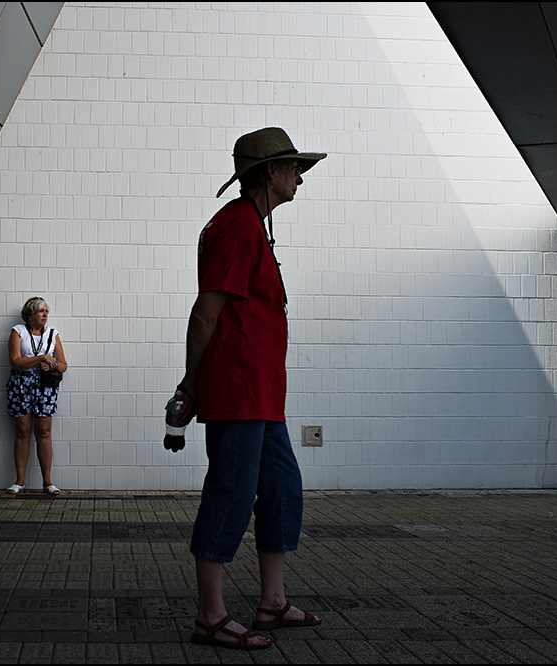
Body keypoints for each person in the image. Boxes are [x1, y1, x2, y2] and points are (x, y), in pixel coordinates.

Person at [173, 128, 326, 650]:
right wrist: (191, 383)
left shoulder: (252, 226)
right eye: (292, 167)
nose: (299, 176)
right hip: (239, 390)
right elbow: (206, 312)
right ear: (268, 173)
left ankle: (272, 602)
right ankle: (210, 617)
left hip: (260, 393)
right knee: (231, 492)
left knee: (281, 490)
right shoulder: (238, 228)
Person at [5, 296, 67, 495]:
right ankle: (19, 482)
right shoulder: (18, 332)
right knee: (22, 432)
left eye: (46, 311)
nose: (45, 315)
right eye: (41, 311)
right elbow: (15, 362)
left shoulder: (52, 334)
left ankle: (48, 482)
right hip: (21, 386)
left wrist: (52, 364)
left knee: (44, 432)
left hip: (45, 388)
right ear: (30, 314)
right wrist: (40, 358)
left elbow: (63, 365)